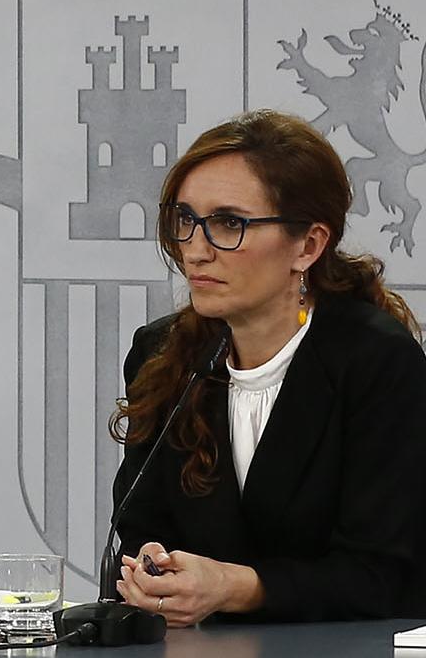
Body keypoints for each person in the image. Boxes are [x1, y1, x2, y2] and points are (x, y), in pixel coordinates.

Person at [112, 109, 426, 625]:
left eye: (229, 223)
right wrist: (153, 569)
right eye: (185, 219)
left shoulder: (376, 362)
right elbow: (139, 525)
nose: (195, 250)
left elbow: (380, 576)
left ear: (308, 245)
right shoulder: (165, 353)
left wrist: (234, 587)